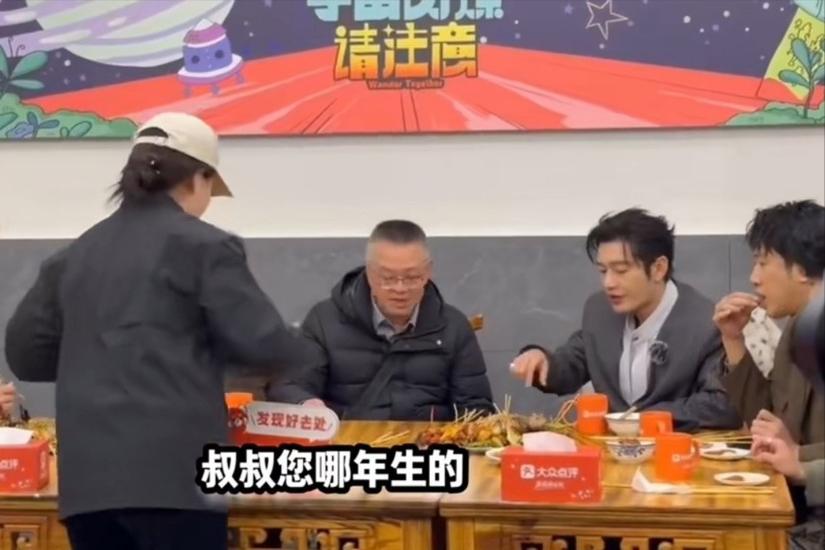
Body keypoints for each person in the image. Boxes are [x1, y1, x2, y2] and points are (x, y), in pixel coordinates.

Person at [4, 113, 316, 550]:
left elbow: (25, 355)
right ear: (197, 179)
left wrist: (94, 353)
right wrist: (303, 350)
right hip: (177, 483)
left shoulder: (73, 256)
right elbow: (262, 343)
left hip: (88, 487)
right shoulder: (205, 246)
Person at [510, 208, 740, 432]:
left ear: (659, 268)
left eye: (620, 270)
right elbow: (574, 361)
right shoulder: (599, 310)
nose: (608, 283)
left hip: (678, 451)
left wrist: (644, 419)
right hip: (612, 451)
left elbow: (720, 405)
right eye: (603, 271)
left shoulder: (705, 323)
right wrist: (542, 361)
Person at [267, 220, 494, 420]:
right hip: (349, 444)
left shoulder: (453, 326)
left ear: (428, 272)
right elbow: (290, 385)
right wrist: (306, 404)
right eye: (387, 278)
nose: (400, 288)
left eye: (412, 277)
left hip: (429, 445)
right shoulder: (324, 320)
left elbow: (476, 408)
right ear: (369, 272)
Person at [715, 200, 824, 548]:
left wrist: (802, 464)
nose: (754, 278)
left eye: (763, 262)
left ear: (802, 270)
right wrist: (734, 340)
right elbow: (767, 420)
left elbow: (791, 450)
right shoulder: (799, 327)